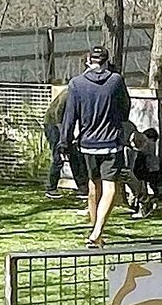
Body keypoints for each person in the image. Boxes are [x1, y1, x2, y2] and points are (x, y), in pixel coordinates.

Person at [53, 46, 132, 244]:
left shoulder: (76, 84)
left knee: (93, 186)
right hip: (112, 143)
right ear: (106, 62)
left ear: (88, 61)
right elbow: (125, 108)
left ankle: (96, 232)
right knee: (110, 188)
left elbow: (70, 115)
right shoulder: (116, 81)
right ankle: (97, 232)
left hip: (87, 144)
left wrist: (64, 142)